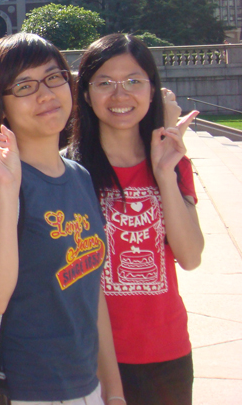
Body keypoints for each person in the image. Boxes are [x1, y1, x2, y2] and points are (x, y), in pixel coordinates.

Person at [0, 33, 124, 404]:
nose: (46, 94)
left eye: (53, 77)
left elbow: (90, 291)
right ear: (0, 106)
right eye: (25, 86)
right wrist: (8, 189)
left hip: (87, 386)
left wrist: (112, 390)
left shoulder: (79, 176)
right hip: (27, 390)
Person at [70, 34, 204, 405]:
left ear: (152, 90)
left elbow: (191, 257)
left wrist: (164, 174)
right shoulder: (69, 173)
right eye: (104, 84)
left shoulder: (174, 165)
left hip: (167, 352)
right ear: (85, 93)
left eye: (133, 81)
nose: (120, 95)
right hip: (91, 357)